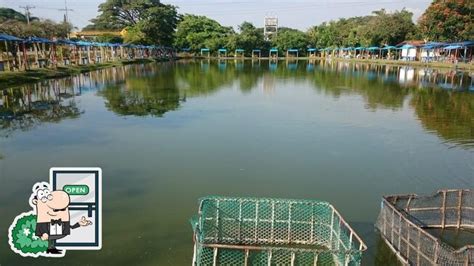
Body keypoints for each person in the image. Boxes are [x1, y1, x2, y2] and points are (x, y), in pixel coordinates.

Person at [32, 183, 92, 254]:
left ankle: (52, 248)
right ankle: (50, 248)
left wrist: (79, 224)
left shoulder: (63, 221)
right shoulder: (43, 221)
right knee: (51, 238)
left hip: (56, 233)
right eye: (56, 210)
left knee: (52, 238)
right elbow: (41, 229)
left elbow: (70, 227)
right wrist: (43, 234)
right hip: (47, 234)